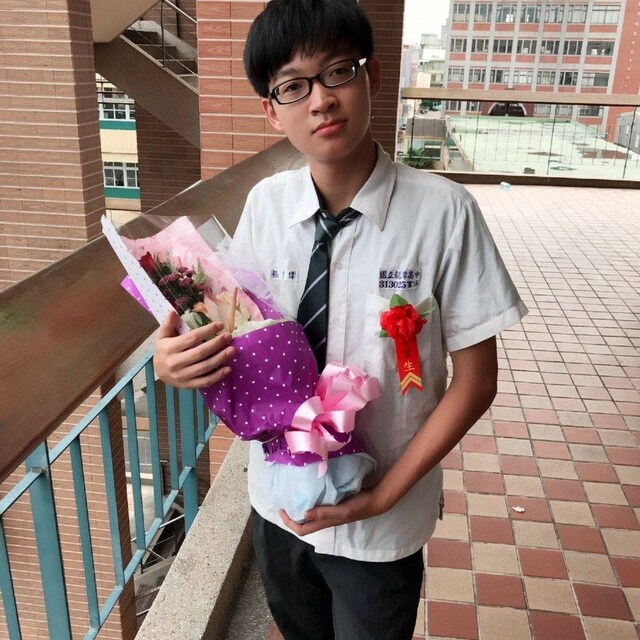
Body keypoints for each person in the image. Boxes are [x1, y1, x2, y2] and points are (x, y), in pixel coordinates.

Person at [154, 0, 527, 638]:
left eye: (337, 72)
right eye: (293, 87)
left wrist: (385, 495)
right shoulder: (265, 206)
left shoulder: (445, 213)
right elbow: (230, 328)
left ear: (371, 76)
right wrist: (174, 358)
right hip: (280, 503)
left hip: (384, 519)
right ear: (271, 110)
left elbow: (476, 381)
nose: (321, 100)